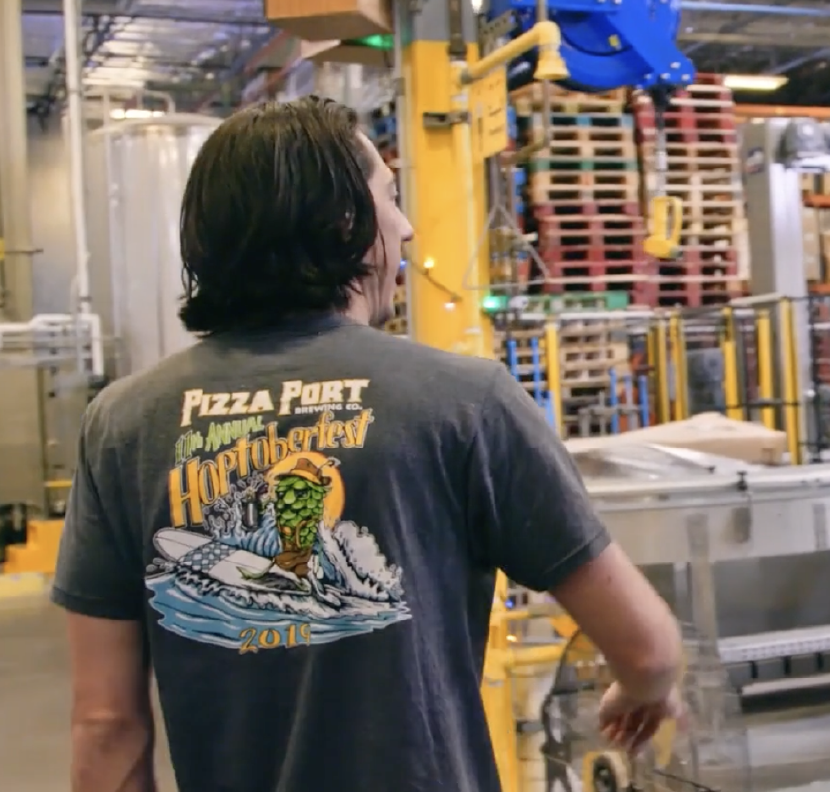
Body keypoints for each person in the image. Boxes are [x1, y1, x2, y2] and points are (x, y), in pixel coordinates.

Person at [52, 96, 684, 792]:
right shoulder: (462, 400)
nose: (408, 229)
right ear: (347, 223)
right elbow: (647, 650)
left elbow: (107, 722)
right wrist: (640, 686)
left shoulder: (123, 423)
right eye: (390, 197)